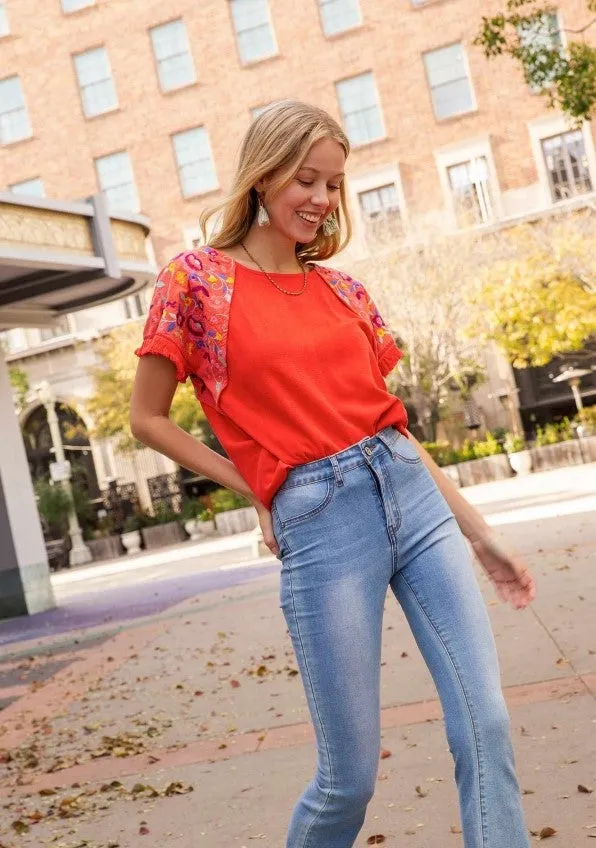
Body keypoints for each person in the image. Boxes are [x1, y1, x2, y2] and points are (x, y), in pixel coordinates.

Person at [130, 99, 535, 848]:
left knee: (488, 723)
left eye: (335, 184)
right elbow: (146, 419)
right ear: (263, 174)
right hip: (320, 522)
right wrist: (261, 484)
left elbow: (392, 428)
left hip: (411, 499)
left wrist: (482, 536)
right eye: (306, 179)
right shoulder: (197, 283)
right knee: (348, 778)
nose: (321, 199)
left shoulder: (343, 291)